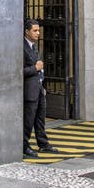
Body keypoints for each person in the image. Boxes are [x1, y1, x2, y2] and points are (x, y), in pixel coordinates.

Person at [23, 19, 59, 157]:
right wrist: (34, 68)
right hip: (29, 91)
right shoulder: (22, 47)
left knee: (40, 119)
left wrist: (42, 85)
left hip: (38, 89)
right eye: (35, 31)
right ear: (27, 31)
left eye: (38, 30)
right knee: (28, 120)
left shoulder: (34, 46)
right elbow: (17, 71)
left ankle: (43, 144)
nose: (38, 33)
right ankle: (24, 145)